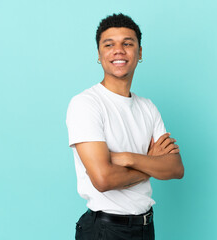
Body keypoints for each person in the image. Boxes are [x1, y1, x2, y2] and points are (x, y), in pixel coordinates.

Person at [66, 13, 184, 240]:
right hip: (105, 230)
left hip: (145, 226)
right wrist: (151, 162)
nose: (118, 50)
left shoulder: (147, 107)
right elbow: (103, 180)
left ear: (139, 53)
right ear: (99, 55)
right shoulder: (86, 104)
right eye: (109, 44)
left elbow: (176, 169)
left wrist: (127, 158)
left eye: (127, 44)